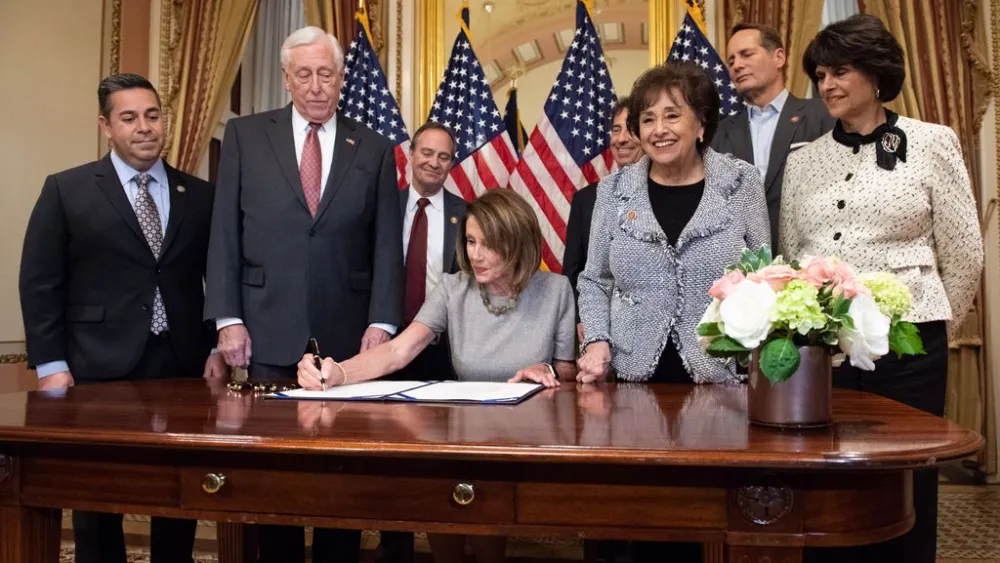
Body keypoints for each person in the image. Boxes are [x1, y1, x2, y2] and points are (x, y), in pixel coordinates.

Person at [781, 15, 983, 563]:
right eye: (821, 74)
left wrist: (932, 320)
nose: (827, 85)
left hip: (909, 345)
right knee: (830, 479)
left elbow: (964, 251)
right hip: (826, 350)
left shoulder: (932, 142)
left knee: (906, 481)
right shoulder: (803, 160)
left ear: (877, 74)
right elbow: (794, 253)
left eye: (841, 71)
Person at [203, 26, 403, 563]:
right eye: (304, 74)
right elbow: (225, 232)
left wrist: (383, 321)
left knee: (341, 474)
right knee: (276, 476)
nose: (316, 85)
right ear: (287, 79)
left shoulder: (377, 148)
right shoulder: (246, 136)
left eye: (327, 74)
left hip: (348, 338)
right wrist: (227, 317)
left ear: (341, 79)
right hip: (266, 330)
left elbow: (387, 245)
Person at [297, 189, 576, 563]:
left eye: (487, 244)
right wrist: (338, 372)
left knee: (485, 521)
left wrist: (548, 370)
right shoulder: (454, 287)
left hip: (526, 437)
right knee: (441, 494)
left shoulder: (556, 290)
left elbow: (570, 371)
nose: (474, 254)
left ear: (517, 241)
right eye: (470, 240)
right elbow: (399, 350)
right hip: (463, 434)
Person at [18, 72, 224, 563]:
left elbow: (217, 277)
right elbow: (40, 282)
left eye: (152, 115)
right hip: (94, 366)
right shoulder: (67, 190)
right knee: (98, 496)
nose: (145, 127)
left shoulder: (199, 194)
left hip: (179, 363)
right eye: (129, 118)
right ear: (106, 126)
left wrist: (217, 345)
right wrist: (50, 365)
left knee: (178, 490)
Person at [576, 62, 769, 562]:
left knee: (715, 518)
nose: (658, 130)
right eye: (647, 119)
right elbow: (593, 279)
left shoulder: (741, 182)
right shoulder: (614, 191)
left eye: (672, 116)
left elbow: (763, 275)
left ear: (701, 123)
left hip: (719, 379)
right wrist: (596, 341)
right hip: (635, 381)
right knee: (645, 518)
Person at [381, 122, 466, 563]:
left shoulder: (465, 213)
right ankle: (393, 545)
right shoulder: (384, 207)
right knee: (390, 454)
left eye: (444, 156)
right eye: (426, 153)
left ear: (453, 163)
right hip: (386, 345)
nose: (434, 162)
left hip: (444, 351)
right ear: (410, 154)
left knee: (439, 453)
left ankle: (446, 541)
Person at [712, 22, 835, 249]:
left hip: (808, 259)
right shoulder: (720, 133)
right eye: (731, 61)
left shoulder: (822, 115)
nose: (737, 65)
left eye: (746, 54)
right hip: (741, 266)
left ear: (779, 57)